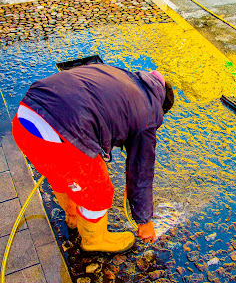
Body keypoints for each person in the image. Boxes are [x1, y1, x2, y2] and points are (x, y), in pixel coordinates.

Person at [12, 63, 174, 253]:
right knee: (98, 192)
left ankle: (72, 215)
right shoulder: (148, 115)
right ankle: (93, 240)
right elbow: (141, 175)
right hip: (58, 137)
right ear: (161, 108)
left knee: (60, 174)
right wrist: (144, 221)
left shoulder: (122, 75)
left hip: (25, 119)